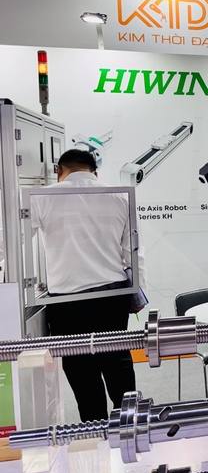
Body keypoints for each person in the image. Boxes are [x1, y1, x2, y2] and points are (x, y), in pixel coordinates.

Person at [31, 149, 142, 421]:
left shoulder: (42, 197)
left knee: (81, 371)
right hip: (113, 294)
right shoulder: (119, 195)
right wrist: (137, 295)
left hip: (67, 301)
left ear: (59, 170)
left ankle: (95, 430)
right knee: (117, 361)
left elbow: (14, 236)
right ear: (95, 171)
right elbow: (133, 252)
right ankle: (130, 425)